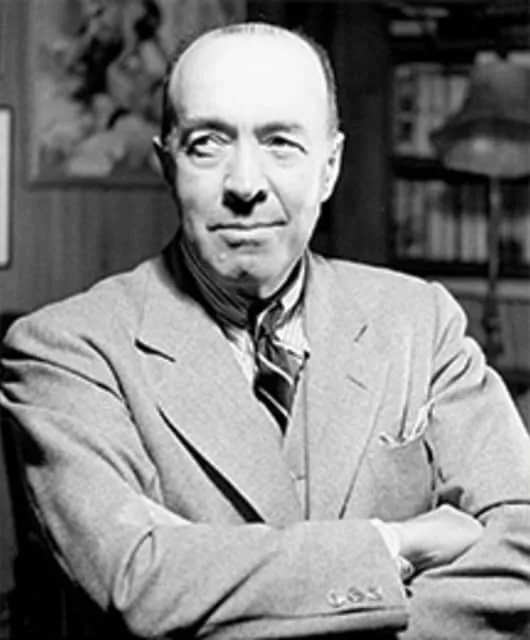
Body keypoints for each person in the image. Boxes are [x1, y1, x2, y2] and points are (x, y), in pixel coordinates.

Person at [2, 22, 530, 640]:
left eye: (281, 142)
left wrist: (229, 592)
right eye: (207, 143)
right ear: (167, 165)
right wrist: (394, 544)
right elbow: (139, 582)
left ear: (330, 168)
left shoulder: (420, 320)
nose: (245, 185)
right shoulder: (64, 351)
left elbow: (521, 542)